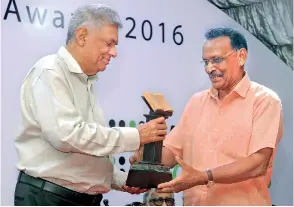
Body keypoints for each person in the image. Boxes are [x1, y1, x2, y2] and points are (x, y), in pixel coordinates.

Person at [14, 4, 168, 206]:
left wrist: (122, 180)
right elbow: (67, 137)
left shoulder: (86, 81)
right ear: (82, 36)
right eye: (109, 43)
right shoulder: (51, 71)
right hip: (49, 198)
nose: (114, 53)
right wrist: (136, 136)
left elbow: (85, 152)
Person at [130, 27, 283, 205]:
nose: (210, 68)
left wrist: (204, 176)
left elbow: (258, 163)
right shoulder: (197, 101)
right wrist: (145, 157)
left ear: (241, 56)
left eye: (217, 59)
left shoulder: (265, 101)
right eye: (205, 62)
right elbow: (172, 153)